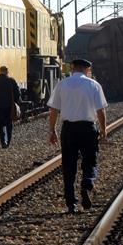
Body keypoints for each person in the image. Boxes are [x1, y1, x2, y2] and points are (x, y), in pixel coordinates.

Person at [48, 58, 108, 214]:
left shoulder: (62, 84)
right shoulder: (93, 85)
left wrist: (52, 130)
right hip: (88, 128)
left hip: (68, 129)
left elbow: (53, 109)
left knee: (69, 166)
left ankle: (71, 204)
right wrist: (103, 129)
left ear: (72, 68)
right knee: (91, 160)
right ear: (87, 70)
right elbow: (101, 111)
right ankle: (86, 184)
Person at [0, 66, 21, 149]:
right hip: (9, 106)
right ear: (7, 72)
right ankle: (8, 142)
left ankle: (3, 142)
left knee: (0, 125)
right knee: (9, 124)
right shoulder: (11, 81)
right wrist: (15, 102)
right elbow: (18, 93)